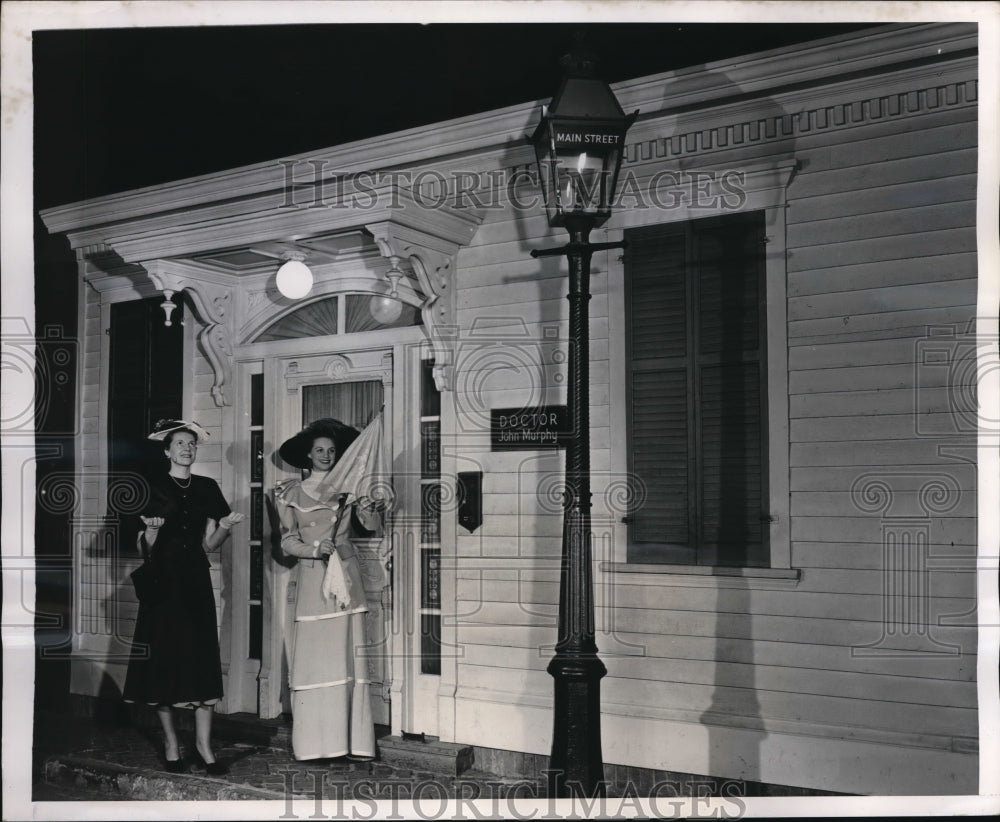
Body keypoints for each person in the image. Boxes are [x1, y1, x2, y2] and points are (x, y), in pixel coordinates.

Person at [123, 419, 244, 775]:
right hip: (163, 585)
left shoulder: (207, 487)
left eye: (191, 444)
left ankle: (205, 749)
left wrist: (224, 526)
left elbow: (209, 545)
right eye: (180, 443)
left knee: (200, 660)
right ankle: (172, 745)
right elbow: (143, 548)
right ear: (167, 450)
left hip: (195, 584)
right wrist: (151, 532)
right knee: (164, 663)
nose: (187, 449)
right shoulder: (153, 487)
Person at [274, 418, 381, 761]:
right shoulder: (289, 493)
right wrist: (312, 550)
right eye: (319, 450)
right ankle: (315, 745)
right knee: (315, 661)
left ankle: (350, 743)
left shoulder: (348, 489)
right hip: (312, 582)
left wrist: (367, 509)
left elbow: (370, 526)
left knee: (345, 659)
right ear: (308, 455)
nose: (325, 456)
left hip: (346, 582)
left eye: (331, 451)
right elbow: (287, 541)